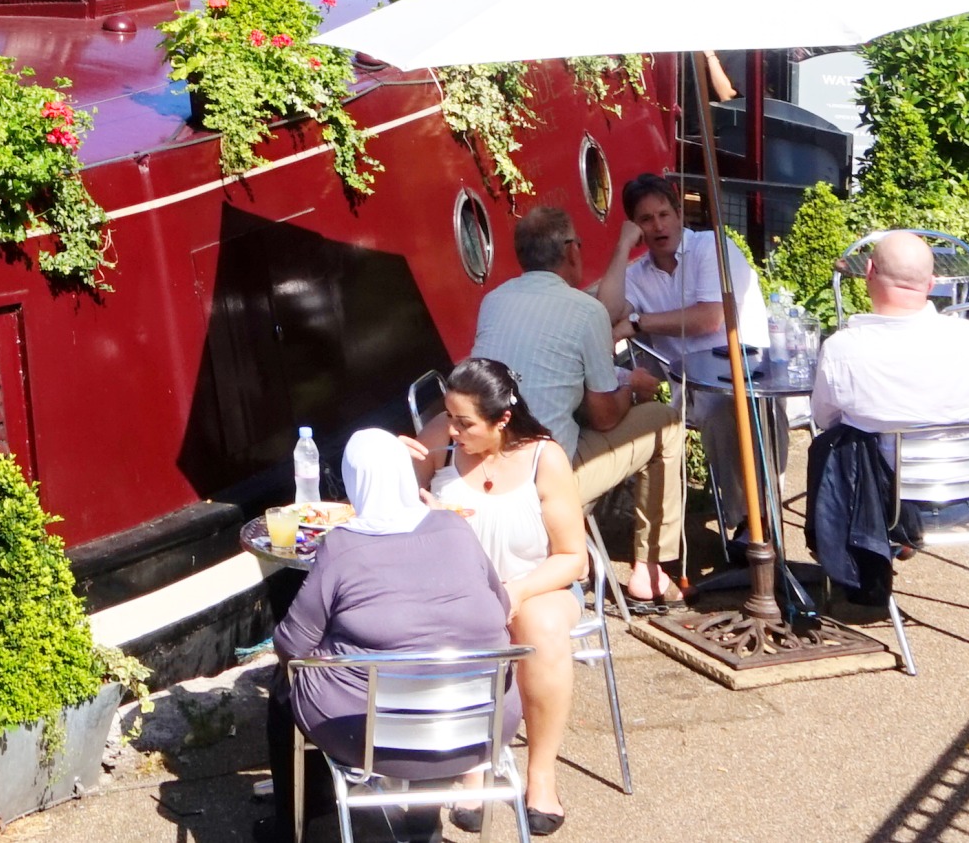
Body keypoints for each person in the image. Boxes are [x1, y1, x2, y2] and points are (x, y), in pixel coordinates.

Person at [267, 429, 509, 843]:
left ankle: (296, 823)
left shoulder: (342, 545)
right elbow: (501, 608)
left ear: (353, 483)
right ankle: (422, 823)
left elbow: (292, 645)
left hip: (368, 738)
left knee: (282, 688)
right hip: (479, 726)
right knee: (431, 676)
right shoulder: (454, 528)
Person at [472, 203, 684, 607]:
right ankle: (648, 572)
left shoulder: (494, 301)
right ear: (571, 251)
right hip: (544, 478)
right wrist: (634, 390)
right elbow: (604, 417)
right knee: (666, 422)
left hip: (484, 464)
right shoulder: (586, 311)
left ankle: (587, 550)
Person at [421, 358, 590, 835]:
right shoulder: (442, 448)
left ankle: (541, 773)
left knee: (539, 626)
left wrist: (517, 589)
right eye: (448, 418)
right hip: (459, 587)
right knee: (464, 619)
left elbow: (572, 557)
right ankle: (475, 758)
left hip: (537, 582)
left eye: (464, 423)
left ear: (502, 420)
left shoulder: (543, 457)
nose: (452, 431)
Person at [803, 232, 969, 611]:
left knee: (836, 445)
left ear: (867, 271)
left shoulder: (843, 350)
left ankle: (855, 563)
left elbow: (823, 419)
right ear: (932, 284)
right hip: (968, 498)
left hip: (887, 509)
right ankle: (891, 549)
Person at [593, 174, 769, 552]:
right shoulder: (638, 276)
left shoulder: (711, 248)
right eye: (645, 220)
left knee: (753, 406)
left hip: (755, 373)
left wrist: (638, 324)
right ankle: (751, 527)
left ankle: (759, 520)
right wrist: (623, 248)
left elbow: (710, 318)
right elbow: (607, 313)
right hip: (691, 388)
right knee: (724, 408)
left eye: (663, 215)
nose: (658, 226)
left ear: (678, 214)